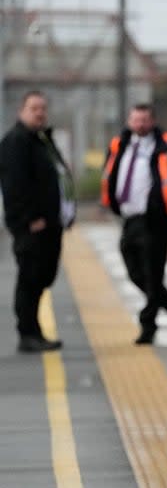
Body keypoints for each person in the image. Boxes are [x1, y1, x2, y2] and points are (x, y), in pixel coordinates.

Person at [101, 103, 167, 345]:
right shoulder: (119, 145)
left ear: (153, 121)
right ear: (129, 121)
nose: (140, 125)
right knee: (135, 273)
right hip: (129, 218)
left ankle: (148, 326)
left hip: (155, 220)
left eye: (144, 120)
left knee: (152, 275)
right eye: (136, 120)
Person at [0, 91, 74, 352]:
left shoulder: (40, 140)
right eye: (34, 108)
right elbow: (14, 186)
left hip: (49, 225)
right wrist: (28, 219)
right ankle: (27, 334)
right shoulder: (16, 142)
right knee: (30, 279)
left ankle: (35, 331)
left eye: (43, 108)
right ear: (22, 110)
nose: (40, 113)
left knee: (42, 277)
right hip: (32, 227)